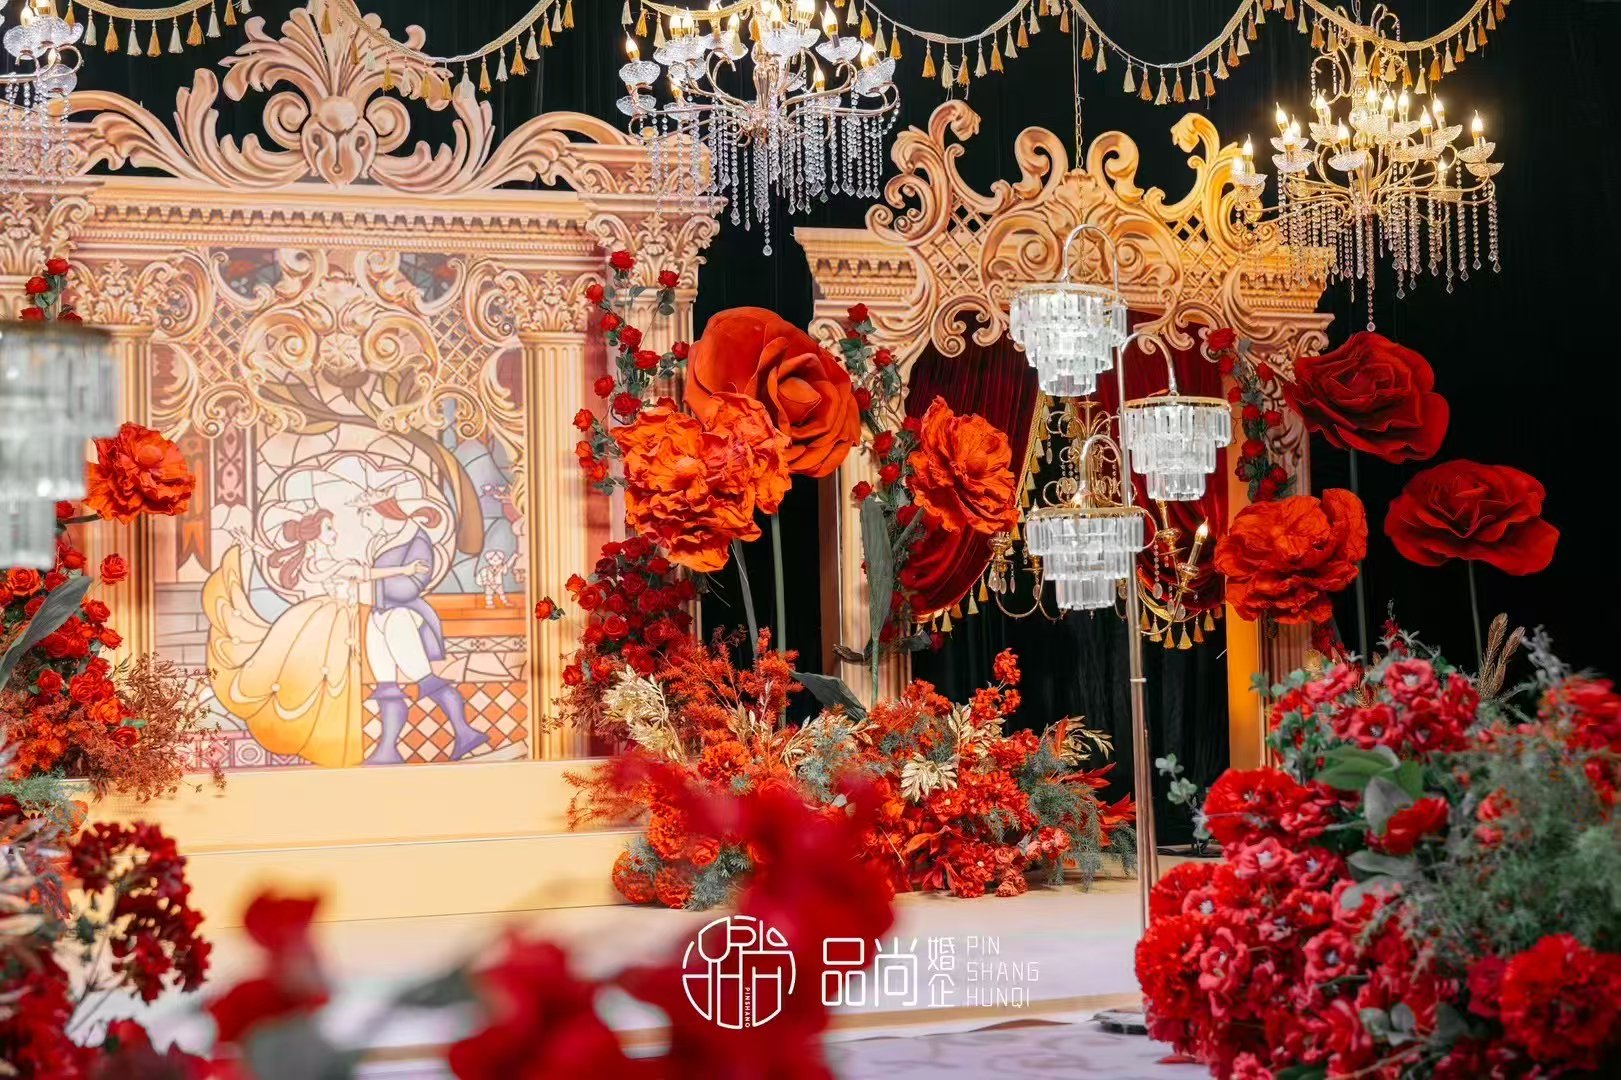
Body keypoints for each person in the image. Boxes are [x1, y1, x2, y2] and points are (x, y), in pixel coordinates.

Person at [356, 493, 488, 764]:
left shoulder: (417, 541)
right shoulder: (381, 541)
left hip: (403, 615)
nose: (363, 521)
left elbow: (411, 587)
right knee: (386, 685)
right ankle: (387, 749)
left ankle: (465, 732)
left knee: (424, 677)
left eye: (366, 514)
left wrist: (370, 586)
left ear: (383, 512)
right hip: (378, 613)